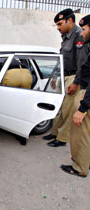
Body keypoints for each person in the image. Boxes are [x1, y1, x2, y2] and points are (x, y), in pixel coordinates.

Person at [43, 8, 88, 147]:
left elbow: (82, 63)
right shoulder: (66, 37)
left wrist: (76, 82)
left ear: (69, 20)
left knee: (67, 110)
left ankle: (62, 138)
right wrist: (56, 77)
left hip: (73, 78)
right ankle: (55, 132)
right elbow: (62, 59)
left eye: (60, 24)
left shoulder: (79, 36)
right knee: (59, 107)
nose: (58, 27)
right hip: (64, 76)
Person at [60, 14, 90, 178]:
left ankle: (80, 167)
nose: (82, 33)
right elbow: (85, 67)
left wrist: (84, 107)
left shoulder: (81, 41)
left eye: (84, 29)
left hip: (87, 94)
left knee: (81, 133)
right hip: (84, 88)